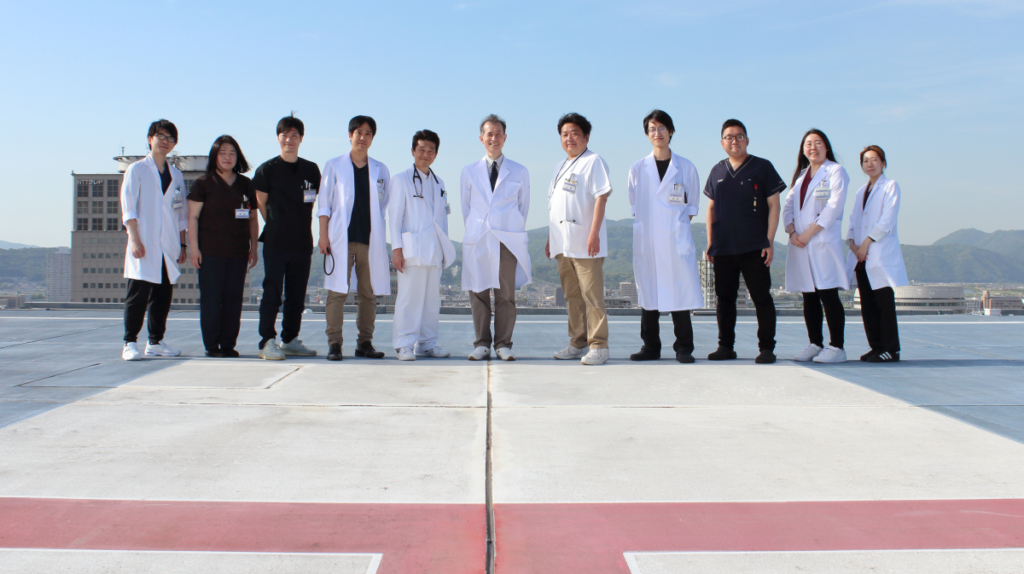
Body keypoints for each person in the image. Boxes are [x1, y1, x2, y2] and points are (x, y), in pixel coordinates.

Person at [704, 119, 784, 364]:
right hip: (724, 247)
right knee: (724, 299)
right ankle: (725, 346)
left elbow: (774, 205)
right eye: (729, 137)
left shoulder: (762, 167)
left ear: (747, 140)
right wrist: (710, 242)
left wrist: (769, 240)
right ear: (722, 142)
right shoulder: (717, 171)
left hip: (754, 245)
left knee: (761, 297)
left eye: (739, 136)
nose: (734, 141)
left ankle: (767, 348)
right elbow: (711, 208)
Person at [627, 110, 703, 363]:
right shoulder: (638, 168)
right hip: (648, 241)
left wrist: (673, 227)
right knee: (649, 295)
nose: (657, 133)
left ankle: (684, 348)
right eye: (652, 129)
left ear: (670, 132)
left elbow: (691, 207)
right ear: (647, 134)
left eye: (661, 128)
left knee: (679, 294)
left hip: (674, 240)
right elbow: (635, 206)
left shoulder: (686, 167)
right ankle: (650, 347)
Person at [317, 116, 391, 361]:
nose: (363, 137)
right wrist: (323, 235)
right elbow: (324, 204)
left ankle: (365, 343)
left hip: (370, 240)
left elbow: (383, 202)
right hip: (341, 239)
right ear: (350, 135)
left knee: (368, 293)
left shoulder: (380, 169)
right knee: (337, 292)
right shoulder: (334, 165)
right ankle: (334, 343)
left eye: (368, 133)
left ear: (372, 138)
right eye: (359, 132)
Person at [460, 114, 532, 361]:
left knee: (505, 295)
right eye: (489, 134)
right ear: (481, 138)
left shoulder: (519, 171)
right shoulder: (469, 171)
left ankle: (503, 344)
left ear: (505, 137)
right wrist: (478, 229)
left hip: (507, 240)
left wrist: (507, 227)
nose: (494, 138)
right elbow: (466, 208)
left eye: (498, 133)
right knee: (478, 293)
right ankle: (481, 343)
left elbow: (523, 207)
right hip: (479, 238)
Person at [545, 113, 612, 366]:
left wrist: (594, 232)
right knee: (572, 296)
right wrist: (551, 239)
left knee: (592, 296)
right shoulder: (560, 166)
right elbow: (555, 206)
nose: (569, 138)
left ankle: (599, 345)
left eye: (574, 133)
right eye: (565, 134)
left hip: (585, 242)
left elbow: (601, 197)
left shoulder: (593, 161)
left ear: (586, 136)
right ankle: (577, 341)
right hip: (562, 242)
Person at [253, 115, 321, 360]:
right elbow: (261, 203)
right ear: (278, 138)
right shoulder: (267, 170)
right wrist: (277, 224)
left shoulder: (311, 170)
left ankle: (290, 340)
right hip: (276, 242)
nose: (289, 140)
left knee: (296, 294)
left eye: (294, 135)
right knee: (272, 292)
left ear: (301, 139)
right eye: (285, 135)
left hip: (302, 241)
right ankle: (267, 341)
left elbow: (313, 201)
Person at [120, 119, 188, 361]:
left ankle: (155, 342)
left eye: (170, 138)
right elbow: (129, 208)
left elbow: (180, 213)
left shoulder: (176, 175)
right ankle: (129, 342)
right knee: (138, 295)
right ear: (150, 139)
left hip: (168, 245)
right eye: (161, 136)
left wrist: (182, 244)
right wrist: (135, 240)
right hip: (144, 242)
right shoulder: (137, 170)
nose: (165, 141)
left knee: (162, 296)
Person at [187, 136, 259, 358]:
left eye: (232, 153)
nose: (227, 157)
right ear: (215, 156)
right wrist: (194, 248)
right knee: (211, 300)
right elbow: (192, 217)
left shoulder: (246, 184)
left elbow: (253, 218)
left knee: (233, 300)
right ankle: (212, 345)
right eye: (223, 153)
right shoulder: (203, 183)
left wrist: (254, 248)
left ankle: (228, 344)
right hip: (210, 253)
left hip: (238, 253)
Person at [783, 129, 850, 363]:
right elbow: (788, 207)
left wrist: (808, 234)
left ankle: (837, 347)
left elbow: (834, 206)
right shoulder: (801, 177)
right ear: (803, 150)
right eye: (808, 144)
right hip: (800, 243)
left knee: (828, 294)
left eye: (818, 143)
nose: (813, 147)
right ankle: (815, 343)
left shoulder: (835, 171)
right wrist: (792, 232)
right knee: (809, 295)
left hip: (821, 242)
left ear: (826, 147)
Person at [389, 130, 456, 361]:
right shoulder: (401, 180)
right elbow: (395, 218)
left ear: (436, 154)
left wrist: (445, 249)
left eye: (430, 150)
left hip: (435, 249)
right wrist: (396, 249)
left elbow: (443, 218)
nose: (426, 154)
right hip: (412, 250)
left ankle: (427, 344)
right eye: (421, 150)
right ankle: (404, 344)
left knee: (431, 302)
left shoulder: (439, 183)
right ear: (413, 151)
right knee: (409, 299)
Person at [846, 145, 907, 362]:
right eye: (865, 161)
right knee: (868, 305)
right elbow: (853, 220)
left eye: (874, 160)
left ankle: (891, 349)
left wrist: (867, 242)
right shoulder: (860, 191)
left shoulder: (890, 186)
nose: (870, 164)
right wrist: (852, 243)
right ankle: (876, 347)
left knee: (883, 304)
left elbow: (887, 220)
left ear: (883, 163)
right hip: (861, 256)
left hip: (878, 253)